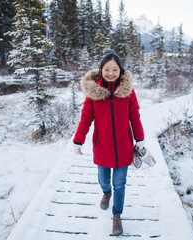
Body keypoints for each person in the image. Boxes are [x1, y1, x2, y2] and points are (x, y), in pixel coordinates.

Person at [73, 53, 145, 236]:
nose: (111, 73)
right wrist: (78, 141)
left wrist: (140, 139)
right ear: (101, 70)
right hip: (102, 145)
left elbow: (134, 116)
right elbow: (86, 118)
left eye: (115, 69)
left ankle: (117, 215)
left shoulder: (127, 91)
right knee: (104, 180)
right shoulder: (94, 93)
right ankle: (106, 193)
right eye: (107, 69)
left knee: (119, 183)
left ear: (120, 70)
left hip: (123, 147)